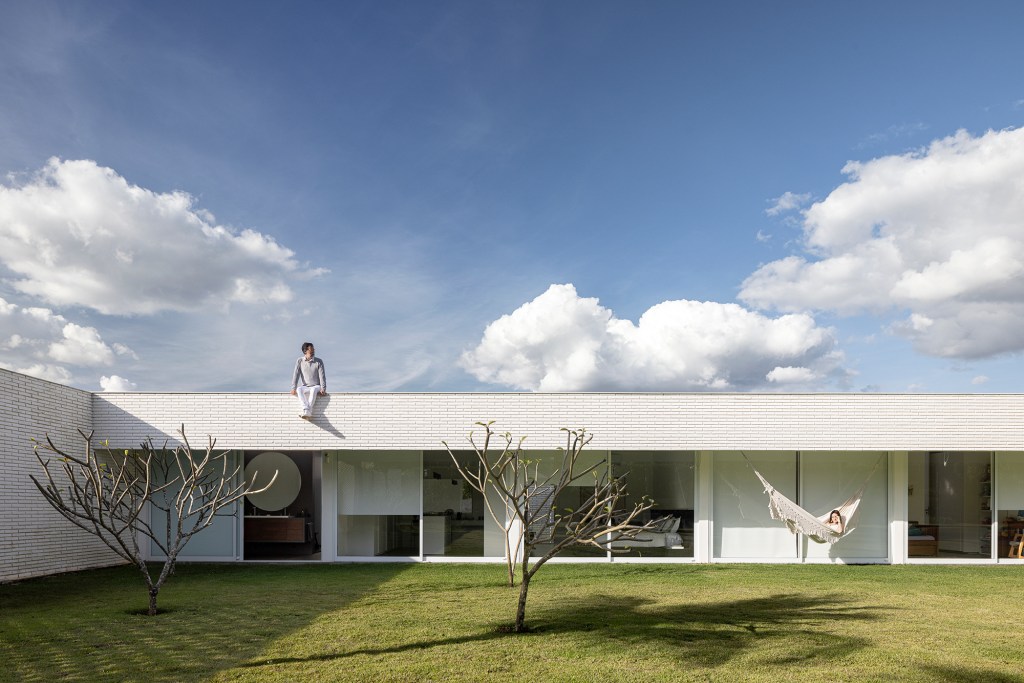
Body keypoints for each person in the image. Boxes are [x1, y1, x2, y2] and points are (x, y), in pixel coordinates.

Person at [290, 342, 326, 419]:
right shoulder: (300, 361)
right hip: (305, 386)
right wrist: (293, 388)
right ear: (305, 351)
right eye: (311, 349)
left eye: (313, 349)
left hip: (316, 386)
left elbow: (322, 376)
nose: (313, 351)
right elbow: (296, 375)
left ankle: (307, 411)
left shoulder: (319, 361)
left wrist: (323, 388)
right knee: (299, 389)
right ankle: (306, 409)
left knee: (313, 389)